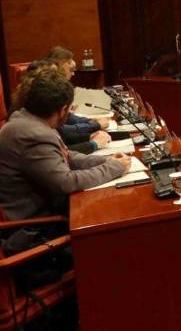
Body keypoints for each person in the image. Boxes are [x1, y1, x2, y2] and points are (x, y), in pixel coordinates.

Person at [0, 69, 131, 221]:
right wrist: (114, 168)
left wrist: (107, 161)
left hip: (50, 208)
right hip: (37, 224)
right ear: (63, 110)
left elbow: (66, 155)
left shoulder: (28, 120)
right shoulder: (33, 134)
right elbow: (66, 182)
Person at [44, 49, 112, 153]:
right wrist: (94, 139)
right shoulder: (48, 93)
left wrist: (89, 132)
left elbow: (64, 132)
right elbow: (62, 134)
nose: (73, 74)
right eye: (71, 69)